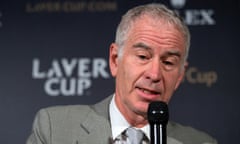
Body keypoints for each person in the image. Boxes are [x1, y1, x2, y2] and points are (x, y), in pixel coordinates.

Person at [26, 3, 217, 144]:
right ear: (115, 59)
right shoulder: (54, 129)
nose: (154, 74)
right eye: (143, 56)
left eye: (168, 62)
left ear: (180, 76)